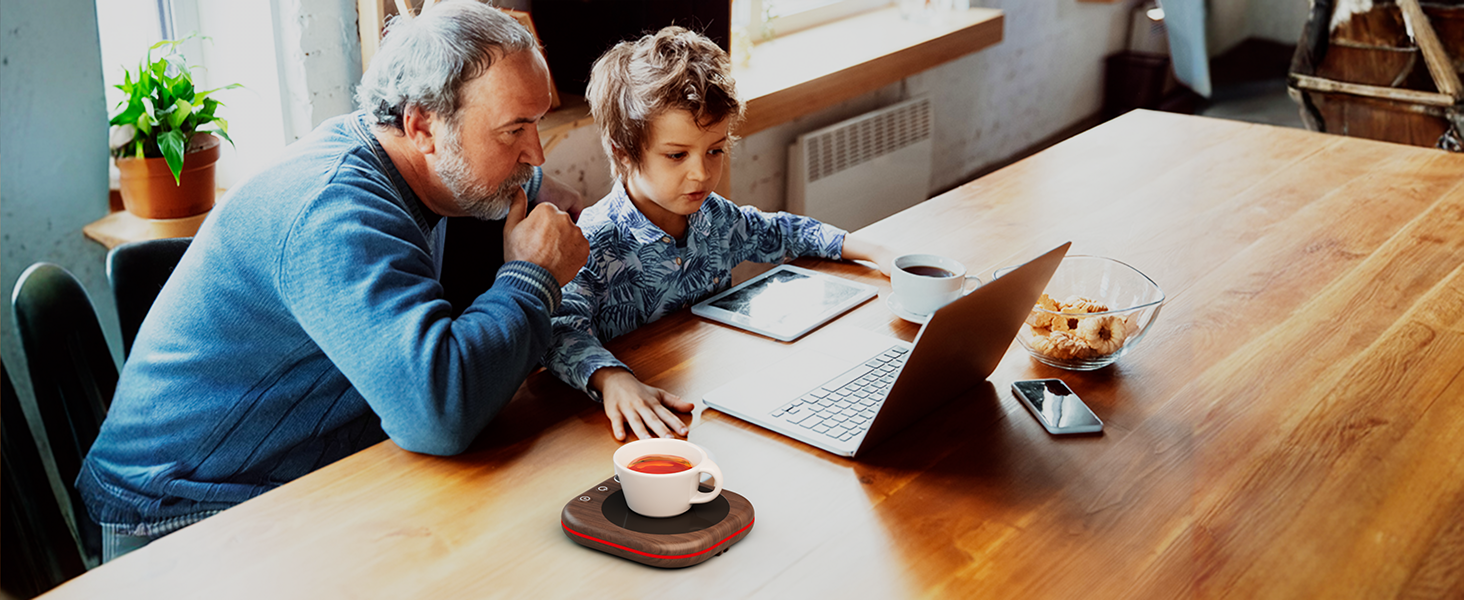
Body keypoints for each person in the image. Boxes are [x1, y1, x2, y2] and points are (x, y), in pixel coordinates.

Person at [77, 1, 589, 561]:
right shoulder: (336, 210)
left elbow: (492, 168)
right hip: (180, 516)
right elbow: (437, 414)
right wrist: (531, 276)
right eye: (514, 129)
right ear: (421, 125)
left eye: (536, 121)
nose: (535, 151)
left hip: (293, 473)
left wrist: (533, 181)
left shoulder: (398, 155)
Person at [542, 26, 896, 442]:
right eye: (677, 155)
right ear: (622, 151)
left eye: (715, 150)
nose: (702, 173)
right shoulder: (590, 242)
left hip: (711, 404)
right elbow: (557, 329)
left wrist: (878, 252)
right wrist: (612, 380)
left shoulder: (714, 217)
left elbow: (780, 231)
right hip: (627, 429)